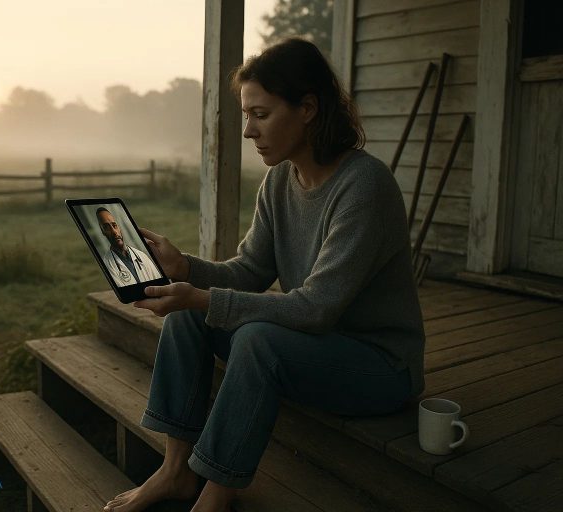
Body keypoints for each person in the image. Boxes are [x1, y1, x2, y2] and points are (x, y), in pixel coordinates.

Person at [103, 37, 425, 512]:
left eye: (261, 114)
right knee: (190, 317)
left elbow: (316, 308)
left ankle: (215, 496)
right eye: (246, 115)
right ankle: (175, 471)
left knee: (255, 337)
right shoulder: (280, 180)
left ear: (309, 108)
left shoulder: (364, 187)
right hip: (314, 348)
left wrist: (200, 296)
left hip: (378, 366)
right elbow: (250, 270)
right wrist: (184, 268)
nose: (249, 130)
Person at [96, 207, 162, 286]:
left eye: (114, 225)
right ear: (103, 232)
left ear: (119, 228)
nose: (114, 232)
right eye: (106, 227)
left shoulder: (142, 256)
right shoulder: (108, 264)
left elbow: (161, 285)